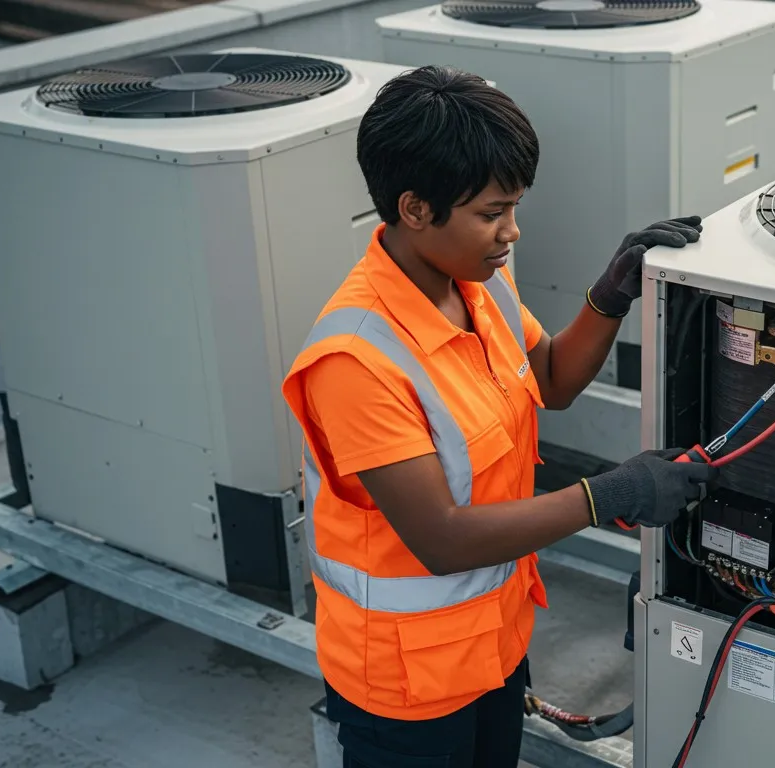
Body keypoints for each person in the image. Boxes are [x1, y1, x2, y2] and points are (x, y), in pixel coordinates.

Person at [280, 65, 719, 767]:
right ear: (416, 208)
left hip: (492, 646)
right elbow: (442, 539)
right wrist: (611, 495)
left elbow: (549, 379)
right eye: (492, 213)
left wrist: (611, 295)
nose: (511, 232)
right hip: (405, 686)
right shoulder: (357, 360)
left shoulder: (477, 285)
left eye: (514, 208)